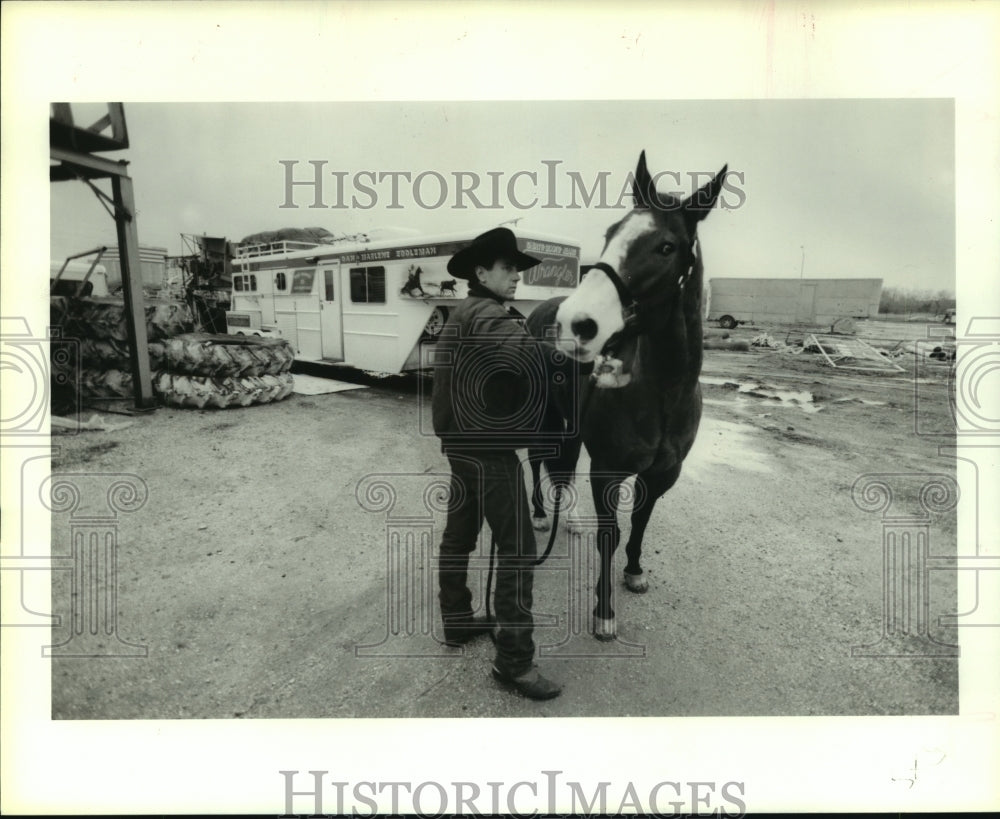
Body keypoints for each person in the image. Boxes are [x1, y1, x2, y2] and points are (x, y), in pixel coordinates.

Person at [431, 227, 562, 700]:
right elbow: (528, 355)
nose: (516, 278)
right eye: (508, 269)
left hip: (462, 446)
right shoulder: (486, 314)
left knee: (459, 536)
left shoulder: (465, 311)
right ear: (481, 272)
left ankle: (458, 619)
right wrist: (580, 356)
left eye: (517, 270)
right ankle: (514, 663)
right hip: (488, 451)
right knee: (519, 549)